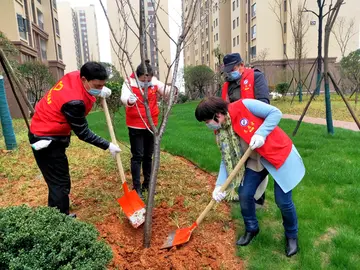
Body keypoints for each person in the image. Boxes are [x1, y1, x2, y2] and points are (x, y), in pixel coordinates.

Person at [195, 97, 305, 257]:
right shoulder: (222, 131)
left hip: (278, 154)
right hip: (257, 159)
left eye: (207, 121)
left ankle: (291, 236)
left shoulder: (244, 106)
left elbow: (275, 112)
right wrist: (219, 185)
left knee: (283, 201)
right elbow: (226, 159)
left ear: (217, 114)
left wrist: (261, 134)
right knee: (245, 194)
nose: (208, 125)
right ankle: (252, 228)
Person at [29, 62, 121, 217]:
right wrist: (108, 145)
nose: (99, 88)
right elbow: (83, 133)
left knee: (58, 182)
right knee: (60, 184)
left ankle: (58, 215)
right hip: (46, 140)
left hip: (45, 128)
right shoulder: (74, 102)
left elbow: (88, 90)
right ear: (84, 79)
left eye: (102, 85)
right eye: (96, 85)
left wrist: (99, 91)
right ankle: (59, 221)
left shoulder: (74, 76)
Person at [219, 52, 269, 206]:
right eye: (227, 70)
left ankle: (258, 198)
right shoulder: (228, 85)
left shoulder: (256, 77)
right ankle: (244, 194)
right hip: (237, 130)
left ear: (241, 65)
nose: (229, 73)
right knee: (241, 162)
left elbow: (264, 102)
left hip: (255, 129)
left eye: (232, 68)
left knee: (258, 163)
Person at [121, 60, 171, 200]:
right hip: (135, 125)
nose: (146, 82)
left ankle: (147, 184)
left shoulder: (154, 81)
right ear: (138, 76)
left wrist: (171, 91)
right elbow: (123, 97)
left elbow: (165, 90)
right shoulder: (129, 82)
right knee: (137, 156)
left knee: (148, 156)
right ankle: (136, 188)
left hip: (151, 125)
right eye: (143, 79)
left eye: (148, 79)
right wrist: (129, 100)